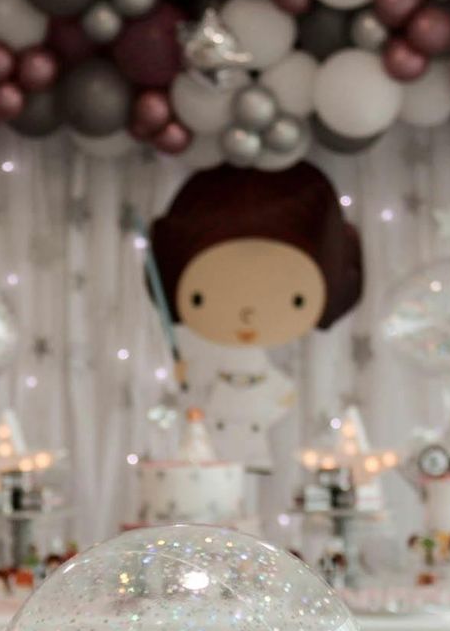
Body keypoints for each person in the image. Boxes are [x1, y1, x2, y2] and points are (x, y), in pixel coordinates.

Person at [148, 163, 363, 469]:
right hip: (221, 414)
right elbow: (198, 385)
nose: (247, 315)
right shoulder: (208, 360)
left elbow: (278, 391)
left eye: (293, 299)